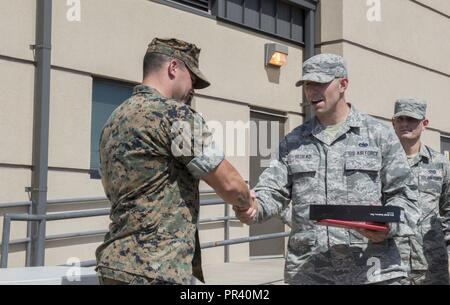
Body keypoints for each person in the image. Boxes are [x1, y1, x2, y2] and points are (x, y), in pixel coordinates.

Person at [235, 53, 419, 285]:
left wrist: (389, 226)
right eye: (307, 84)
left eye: (320, 83)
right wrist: (253, 206)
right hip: (311, 272)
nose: (312, 91)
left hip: (371, 270)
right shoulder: (293, 142)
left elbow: (406, 195)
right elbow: (272, 191)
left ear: (343, 84)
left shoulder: (378, 136)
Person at [95, 38, 256, 285]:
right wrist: (246, 202)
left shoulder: (114, 119)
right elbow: (229, 184)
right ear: (173, 68)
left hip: (114, 267)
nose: (193, 88)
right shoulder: (174, 115)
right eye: (192, 78)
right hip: (156, 269)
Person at [392, 99, 450, 285]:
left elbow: (448, 211)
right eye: (400, 119)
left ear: (424, 124)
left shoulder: (441, 164)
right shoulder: (382, 162)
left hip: (431, 263)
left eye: (411, 119)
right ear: (393, 123)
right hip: (391, 261)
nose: (405, 124)